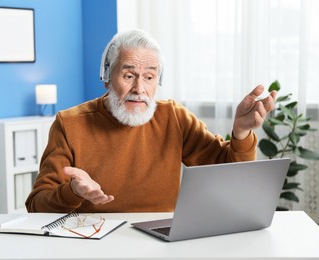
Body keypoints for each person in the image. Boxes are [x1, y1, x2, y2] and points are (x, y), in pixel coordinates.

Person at [25, 29, 276, 213]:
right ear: (106, 77)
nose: (139, 88)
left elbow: (229, 174)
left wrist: (241, 132)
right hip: (94, 243)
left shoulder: (174, 117)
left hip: (162, 243)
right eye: (128, 75)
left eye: (149, 77)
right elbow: (36, 205)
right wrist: (73, 192)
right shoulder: (69, 124)